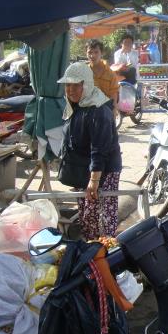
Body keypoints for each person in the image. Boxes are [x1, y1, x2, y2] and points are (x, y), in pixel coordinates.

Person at [57, 62, 123, 240]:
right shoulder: (75, 106)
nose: (70, 90)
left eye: (75, 85)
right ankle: (91, 251)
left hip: (103, 170)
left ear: (86, 85)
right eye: (67, 85)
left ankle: (106, 253)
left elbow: (99, 149)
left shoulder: (99, 110)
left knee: (101, 216)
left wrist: (94, 180)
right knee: (87, 216)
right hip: (85, 169)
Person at [85, 39, 118, 114]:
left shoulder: (110, 74)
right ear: (85, 53)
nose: (92, 55)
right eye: (89, 52)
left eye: (96, 52)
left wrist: (112, 118)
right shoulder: (83, 72)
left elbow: (113, 98)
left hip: (105, 112)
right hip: (87, 112)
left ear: (102, 53)